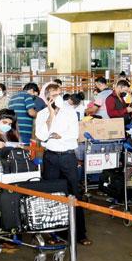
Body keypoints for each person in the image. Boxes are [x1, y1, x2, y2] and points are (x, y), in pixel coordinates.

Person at [35, 82, 90, 245]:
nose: (54, 98)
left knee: (73, 192)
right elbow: (42, 136)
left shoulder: (70, 112)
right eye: (50, 95)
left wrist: (61, 136)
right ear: (46, 98)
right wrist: (51, 115)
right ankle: (55, 234)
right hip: (50, 157)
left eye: (57, 94)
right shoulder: (43, 114)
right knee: (52, 194)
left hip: (67, 156)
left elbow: (73, 134)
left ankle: (80, 233)